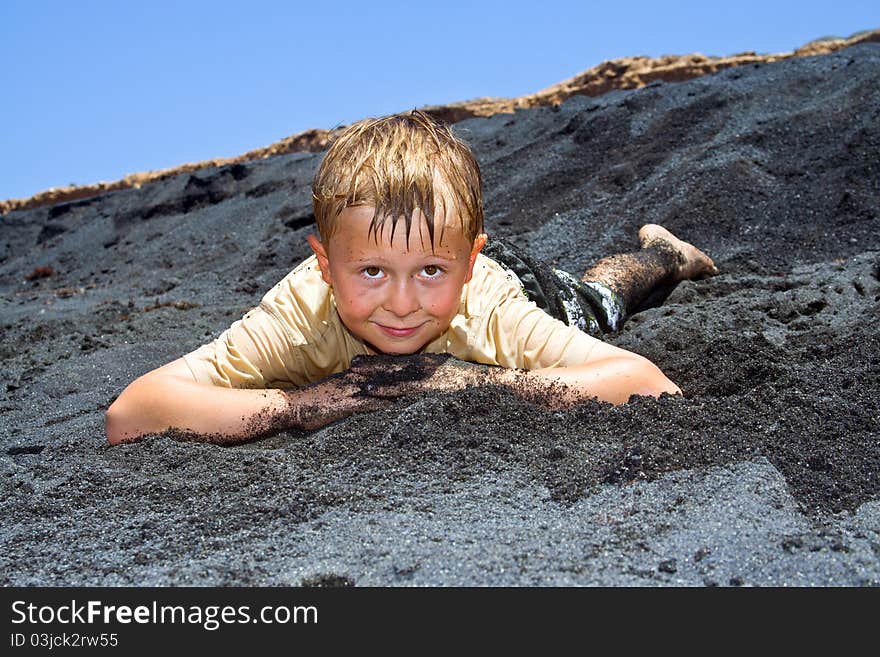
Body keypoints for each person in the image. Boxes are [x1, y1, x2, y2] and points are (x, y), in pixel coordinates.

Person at [105, 110, 717, 446]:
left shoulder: (487, 307)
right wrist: (308, 404)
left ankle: (665, 255)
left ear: (467, 262)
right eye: (370, 272)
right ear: (324, 263)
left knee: (600, 299)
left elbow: (648, 384)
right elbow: (131, 412)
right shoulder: (301, 310)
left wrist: (464, 384)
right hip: (441, 254)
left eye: (427, 273)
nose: (401, 303)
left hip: (523, 285)